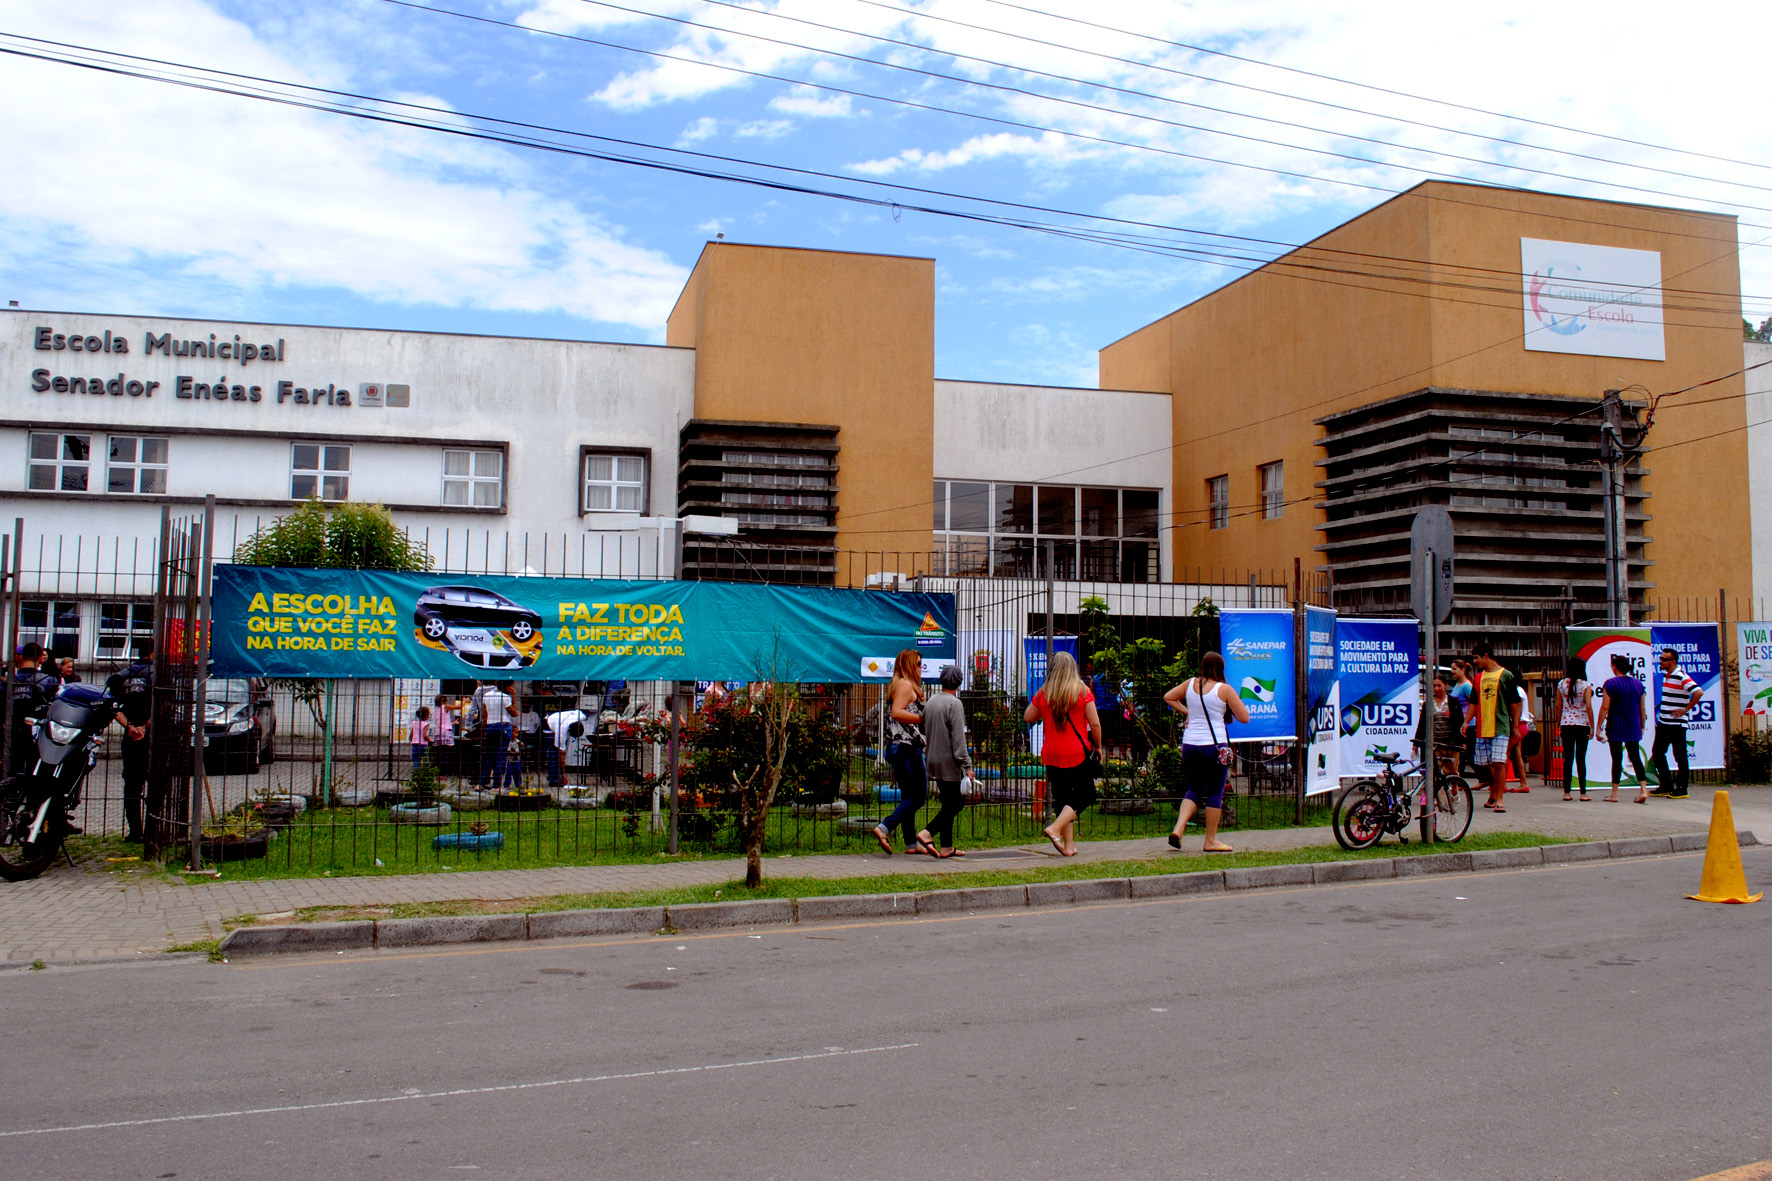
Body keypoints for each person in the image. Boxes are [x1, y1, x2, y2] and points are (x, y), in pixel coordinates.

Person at [1162, 650, 1251, 853]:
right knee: (1215, 791)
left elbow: (1168, 697)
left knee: (1194, 788)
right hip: (1214, 747)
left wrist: (1189, 712)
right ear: (1221, 668)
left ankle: (1178, 829)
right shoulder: (1224, 689)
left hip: (1190, 745)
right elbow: (1244, 717)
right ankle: (1210, 840)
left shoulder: (1190, 684)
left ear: (1202, 666)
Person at [1024, 650, 1102, 857]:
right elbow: (1095, 723)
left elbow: (1028, 717)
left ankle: (1069, 846)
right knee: (1086, 795)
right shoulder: (1082, 691)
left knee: (1063, 797)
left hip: (1052, 753)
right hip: (1076, 752)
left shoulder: (1044, 693)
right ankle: (1055, 828)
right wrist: (1098, 746)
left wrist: (1045, 708)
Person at [873, 650, 932, 855]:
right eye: (918, 663)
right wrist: (922, 719)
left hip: (901, 747)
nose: (921, 667)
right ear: (908, 665)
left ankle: (910, 843)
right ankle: (885, 827)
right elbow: (897, 712)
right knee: (919, 796)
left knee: (908, 795)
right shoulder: (905, 685)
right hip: (907, 748)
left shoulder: (901, 684)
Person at [918, 664, 972, 858]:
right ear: (959, 682)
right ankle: (928, 832)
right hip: (949, 760)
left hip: (932, 757)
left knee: (947, 802)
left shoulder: (932, 700)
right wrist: (967, 764)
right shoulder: (954, 704)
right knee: (957, 803)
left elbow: (922, 727)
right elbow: (958, 738)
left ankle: (946, 846)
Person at [105, 639, 155, 843]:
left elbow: (113, 707)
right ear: (154, 653)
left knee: (132, 786)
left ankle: (135, 831)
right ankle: (154, 829)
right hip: (152, 737)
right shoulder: (158, 674)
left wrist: (131, 727)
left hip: (131, 737)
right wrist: (145, 727)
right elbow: (162, 706)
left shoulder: (121, 676)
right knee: (156, 783)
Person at [1469, 642, 1522, 812]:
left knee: (1499, 762)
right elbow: (1474, 702)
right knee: (1483, 764)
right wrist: (1466, 721)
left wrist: (1515, 725)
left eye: (1476, 658)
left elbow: (1515, 702)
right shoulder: (1478, 678)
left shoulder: (1505, 675)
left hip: (1500, 726)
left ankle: (1499, 798)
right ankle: (1494, 790)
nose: (1475, 661)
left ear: (1486, 656)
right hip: (1482, 727)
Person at [1596, 654, 1650, 804]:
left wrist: (1599, 726)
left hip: (1615, 725)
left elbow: (1605, 707)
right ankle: (1643, 789)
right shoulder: (1638, 684)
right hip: (1633, 725)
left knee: (1616, 758)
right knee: (1635, 757)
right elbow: (1642, 708)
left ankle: (1615, 793)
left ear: (1614, 667)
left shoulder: (1610, 684)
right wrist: (1642, 725)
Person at [1649, 647, 1701, 799]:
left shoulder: (1680, 676)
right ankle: (1666, 785)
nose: (1661, 662)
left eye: (1664, 659)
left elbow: (1698, 692)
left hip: (1677, 724)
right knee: (1658, 753)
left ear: (1673, 661)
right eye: (1660, 658)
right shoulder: (1667, 676)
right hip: (1664, 722)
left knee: (1680, 756)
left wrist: (1685, 709)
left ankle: (1682, 788)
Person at [7, 641, 59, 777]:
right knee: (35, 768)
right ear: (40, 658)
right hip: (38, 731)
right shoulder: (49, 681)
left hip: (12, 729)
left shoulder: (8, 682)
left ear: (21, 657)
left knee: (12, 766)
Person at [1554, 658, 1595, 801]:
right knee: (1581, 758)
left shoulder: (1562, 684)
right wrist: (1592, 726)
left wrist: (1558, 724)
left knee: (1568, 758)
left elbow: (1558, 706)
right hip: (1582, 724)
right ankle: (1583, 792)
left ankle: (1567, 792)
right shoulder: (1586, 685)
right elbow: (1588, 706)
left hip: (1566, 723)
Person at [476, 681, 516, 789]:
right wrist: (514, 697)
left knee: (491, 756)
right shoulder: (505, 697)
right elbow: (514, 713)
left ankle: (482, 782)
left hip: (491, 725)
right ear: (507, 687)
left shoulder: (487, 695)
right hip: (503, 725)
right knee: (500, 756)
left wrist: (485, 727)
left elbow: (485, 713)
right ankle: (496, 785)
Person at [1449, 661, 1476, 775]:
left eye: (1455, 669)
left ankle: (1485, 778)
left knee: (1468, 753)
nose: (1452, 672)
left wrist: (1467, 720)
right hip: (1460, 723)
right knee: (1461, 753)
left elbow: (1474, 704)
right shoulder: (1457, 684)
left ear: (1463, 670)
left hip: (1468, 724)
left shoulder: (1466, 686)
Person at [408, 705, 432, 771]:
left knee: (416, 761)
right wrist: (430, 741)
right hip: (423, 744)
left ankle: (416, 773)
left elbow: (411, 735)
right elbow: (425, 735)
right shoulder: (426, 724)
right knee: (426, 760)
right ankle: (426, 773)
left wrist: (412, 741)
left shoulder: (414, 723)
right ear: (426, 715)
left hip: (415, 744)